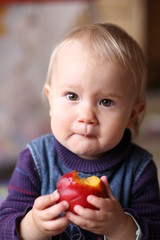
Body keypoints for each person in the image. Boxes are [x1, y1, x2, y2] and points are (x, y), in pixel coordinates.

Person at [0, 23, 160, 240]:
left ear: (132, 114)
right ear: (50, 101)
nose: (86, 116)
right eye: (72, 96)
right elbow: (4, 225)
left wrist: (119, 227)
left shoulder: (139, 170)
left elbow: (154, 231)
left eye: (106, 101)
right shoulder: (34, 160)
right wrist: (33, 226)